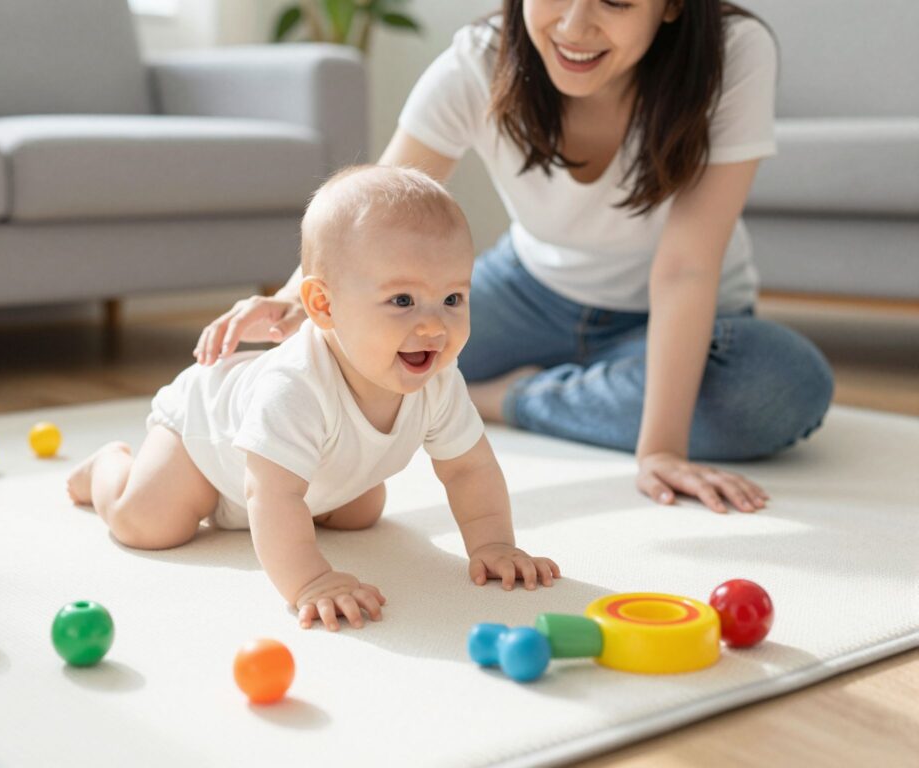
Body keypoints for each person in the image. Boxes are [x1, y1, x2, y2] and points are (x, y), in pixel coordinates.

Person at [194, 1, 833, 516]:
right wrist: (288, 300)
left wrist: (660, 449)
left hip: (682, 310)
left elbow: (687, 267)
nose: (574, 26)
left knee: (783, 388)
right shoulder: (479, 60)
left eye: (614, 1)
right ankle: (587, 391)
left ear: (669, 8)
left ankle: (508, 397)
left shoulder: (733, 53)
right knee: (368, 338)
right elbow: (366, 220)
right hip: (530, 289)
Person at [68, 165, 560, 632]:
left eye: (453, 299)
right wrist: (310, 580)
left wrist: (494, 543)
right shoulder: (294, 386)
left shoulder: (439, 376)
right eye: (403, 301)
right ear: (324, 306)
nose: (433, 326)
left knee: (361, 512)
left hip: (303, 473)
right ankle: (108, 467)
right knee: (149, 525)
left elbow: (468, 468)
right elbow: (271, 493)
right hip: (207, 447)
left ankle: (320, 498)